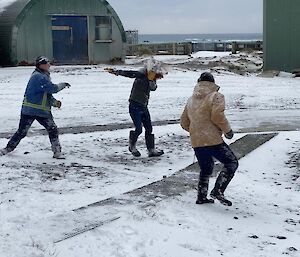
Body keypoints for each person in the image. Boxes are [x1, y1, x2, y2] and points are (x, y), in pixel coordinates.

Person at [180, 72, 238, 206]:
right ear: (213, 83)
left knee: (206, 168)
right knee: (231, 162)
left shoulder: (191, 99)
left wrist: (197, 131)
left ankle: (201, 197)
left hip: (197, 141)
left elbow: (184, 122)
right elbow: (217, 116)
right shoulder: (216, 96)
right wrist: (227, 131)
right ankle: (218, 190)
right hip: (212, 140)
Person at [0, 56, 71, 159]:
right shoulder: (38, 77)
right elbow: (52, 89)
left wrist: (54, 103)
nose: (49, 65)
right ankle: (56, 152)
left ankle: (8, 149)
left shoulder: (42, 76)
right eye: (47, 63)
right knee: (50, 130)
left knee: (24, 131)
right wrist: (63, 85)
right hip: (35, 110)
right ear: (41, 65)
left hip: (33, 110)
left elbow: (45, 94)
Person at [106, 60, 165, 157]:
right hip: (134, 105)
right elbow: (129, 73)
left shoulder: (152, 78)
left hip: (144, 106)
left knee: (149, 128)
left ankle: (151, 149)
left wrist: (151, 80)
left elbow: (153, 88)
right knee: (138, 129)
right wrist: (117, 72)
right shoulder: (140, 75)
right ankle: (132, 146)